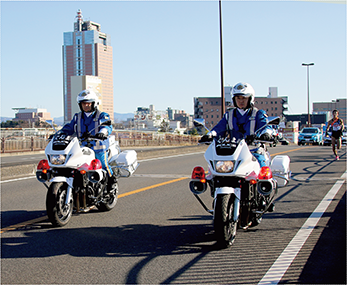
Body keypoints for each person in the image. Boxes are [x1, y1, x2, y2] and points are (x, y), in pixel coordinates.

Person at [201, 82, 272, 168]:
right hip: (233, 152)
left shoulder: (258, 114)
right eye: (238, 98)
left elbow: (265, 126)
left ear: (250, 99)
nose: (241, 101)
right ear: (234, 99)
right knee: (215, 169)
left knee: (262, 170)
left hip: (253, 151)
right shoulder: (229, 115)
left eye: (244, 98)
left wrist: (266, 134)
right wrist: (209, 135)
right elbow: (219, 128)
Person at [61, 89, 117, 190]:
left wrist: (102, 132)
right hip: (82, 147)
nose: (86, 106)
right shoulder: (77, 117)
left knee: (102, 163)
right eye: (83, 104)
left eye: (88, 103)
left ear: (94, 103)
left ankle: (112, 180)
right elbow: (69, 127)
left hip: (98, 146)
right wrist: (59, 134)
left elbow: (107, 126)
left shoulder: (102, 115)